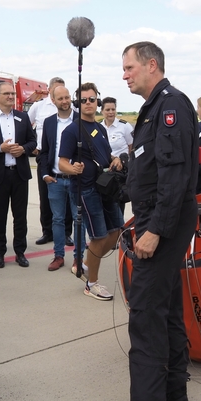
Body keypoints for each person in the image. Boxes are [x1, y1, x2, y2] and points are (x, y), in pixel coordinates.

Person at [104, 42, 198, 401]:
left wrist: (154, 230)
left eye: (129, 68)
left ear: (151, 65)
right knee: (168, 310)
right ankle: (174, 397)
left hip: (163, 225)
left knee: (144, 317)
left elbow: (175, 178)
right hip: (159, 220)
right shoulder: (155, 107)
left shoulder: (170, 106)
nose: (124, 75)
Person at [58, 82, 122, 300]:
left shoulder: (100, 128)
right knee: (98, 236)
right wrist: (72, 168)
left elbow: (107, 154)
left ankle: (86, 263)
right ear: (78, 102)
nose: (88, 103)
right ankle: (91, 283)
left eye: (92, 99)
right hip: (86, 190)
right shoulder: (71, 131)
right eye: (83, 100)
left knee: (116, 232)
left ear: (98, 102)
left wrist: (115, 160)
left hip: (105, 186)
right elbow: (61, 163)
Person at [0, 82, 37, 269]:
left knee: (20, 216)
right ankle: (0, 253)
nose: (11, 96)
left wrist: (23, 149)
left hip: (18, 174)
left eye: (13, 93)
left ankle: (20, 252)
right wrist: (0, 148)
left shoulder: (23, 117)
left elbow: (32, 141)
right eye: (7, 93)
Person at [39, 85, 82, 271]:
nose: (65, 101)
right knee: (57, 219)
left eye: (67, 97)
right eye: (60, 98)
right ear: (53, 100)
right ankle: (58, 255)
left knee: (78, 219)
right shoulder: (49, 123)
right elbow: (44, 151)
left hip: (76, 180)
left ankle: (78, 257)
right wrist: (45, 174)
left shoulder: (80, 121)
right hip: (55, 180)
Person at [28, 77, 74, 246]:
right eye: (58, 94)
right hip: (45, 156)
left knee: (68, 200)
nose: (63, 100)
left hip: (66, 159)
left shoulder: (73, 110)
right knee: (45, 197)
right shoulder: (38, 106)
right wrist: (32, 144)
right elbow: (27, 124)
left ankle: (66, 233)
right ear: (51, 93)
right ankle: (47, 232)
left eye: (65, 94)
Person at [100, 96, 133, 214]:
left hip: (119, 172)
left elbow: (131, 147)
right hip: (104, 172)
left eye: (113, 109)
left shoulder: (124, 126)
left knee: (118, 206)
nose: (111, 112)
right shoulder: (98, 127)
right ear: (102, 111)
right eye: (108, 110)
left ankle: (119, 231)